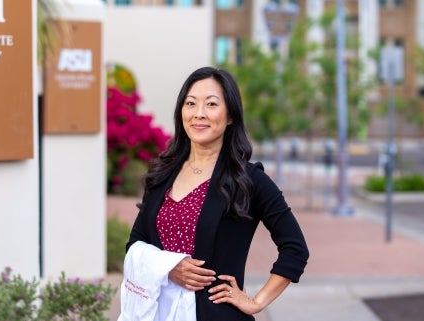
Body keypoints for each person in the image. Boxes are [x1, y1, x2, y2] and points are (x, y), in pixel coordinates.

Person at [124, 66, 309, 320]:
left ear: (230, 115)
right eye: (191, 104)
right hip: (160, 312)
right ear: (181, 112)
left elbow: (295, 249)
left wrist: (256, 302)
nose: (199, 114)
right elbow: (136, 244)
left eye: (211, 104)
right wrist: (168, 269)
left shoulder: (247, 180)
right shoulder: (162, 175)